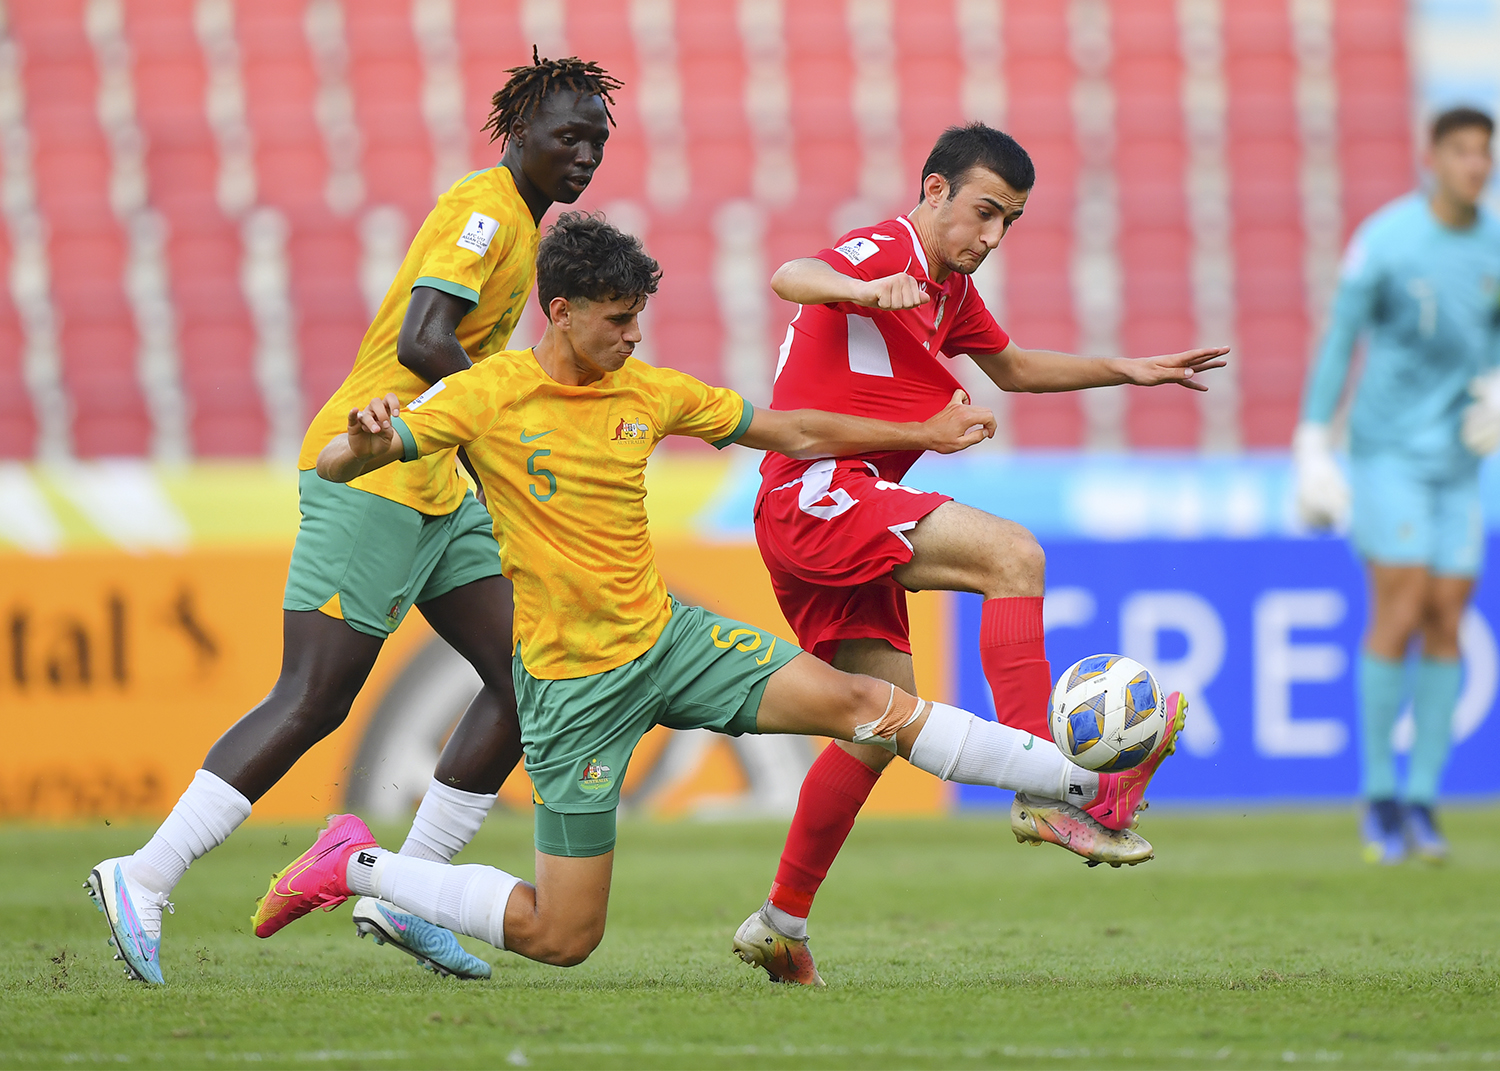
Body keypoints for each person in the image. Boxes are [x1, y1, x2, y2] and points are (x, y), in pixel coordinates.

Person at [250, 213, 1183, 975]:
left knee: (869, 705)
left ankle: (1073, 783)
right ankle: (357, 862)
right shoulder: (484, 395)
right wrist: (364, 440)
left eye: (638, 318)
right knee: (562, 937)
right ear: (562, 311)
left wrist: (924, 432)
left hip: (673, 644)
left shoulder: (648, 390)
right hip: (574, 692)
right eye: (618, 319)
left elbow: (794, 428)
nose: (634, 335)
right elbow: (341, 460)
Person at [85, 52, 622, 985]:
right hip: (373, 464)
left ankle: (401, 891)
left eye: (597, 142)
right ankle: (144, 872)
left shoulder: (528, 232)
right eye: (567, 136)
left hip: (434, 480)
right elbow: (421, 341)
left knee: (528, 677)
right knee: (313, 698)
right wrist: (510, 413)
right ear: (520, 132)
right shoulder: (484, 207)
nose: (584, 155)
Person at [729, 122, 1222, 986]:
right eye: (984, 213)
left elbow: (1017, 369)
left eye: (1011, 223)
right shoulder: (891, 248)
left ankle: (780, 919)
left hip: (827, 507)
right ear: (932, 192)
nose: (991, 238)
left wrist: (1129, 370)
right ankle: (1054, 783)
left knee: (877, 725)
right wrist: (866, 288)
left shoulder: (950, 289)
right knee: (1012, 556)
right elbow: (788, 276)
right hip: (817, 490)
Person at [1294, 105, 1499, 866]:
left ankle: (1423, 800)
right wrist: (1314, 441)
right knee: (1403, 598)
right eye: (1463, 152)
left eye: (1485, 152)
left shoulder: (1495, 245)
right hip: (1385, 455)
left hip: (1459, 461)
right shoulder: (1385, 240)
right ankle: (1379, 793)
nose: (1476, 165)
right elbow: (1341, 338)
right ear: (1432, 158)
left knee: (1448, 613)